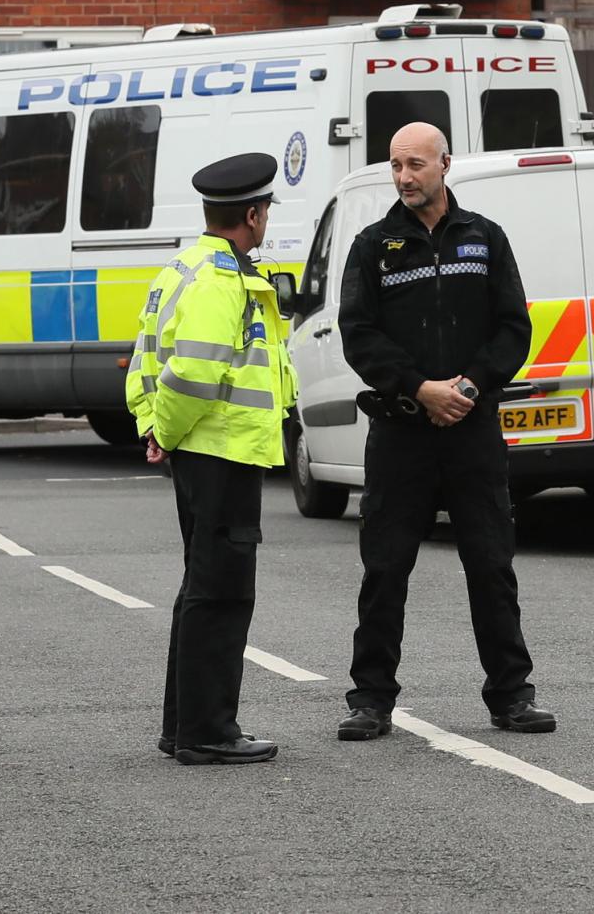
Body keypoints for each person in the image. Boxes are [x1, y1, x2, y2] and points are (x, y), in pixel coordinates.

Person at [334, 122, 555, 741]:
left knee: (491, 565)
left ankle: (511, 696)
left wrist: (469, 387)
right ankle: (371, 700)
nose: (404, 176)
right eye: (395, 165)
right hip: (402, 433)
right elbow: (359, 333)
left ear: (444, 166)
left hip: (471, 430)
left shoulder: (485, 239)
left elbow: (513, 327)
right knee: (385, 569)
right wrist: (417, 388)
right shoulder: (372, 246)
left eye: (415, 165)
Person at [125, 152, 295, 765]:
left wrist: (156, 427)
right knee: (221, 593)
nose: (267, 218)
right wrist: (166, 432)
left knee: (202, 588)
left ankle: (185, 727)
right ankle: (207, 731)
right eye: (266, 210)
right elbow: (193, 370)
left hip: (203, 449)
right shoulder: (221, 280)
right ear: (252, 214)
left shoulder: (184, 267)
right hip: (221, 451)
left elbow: (145, 359)